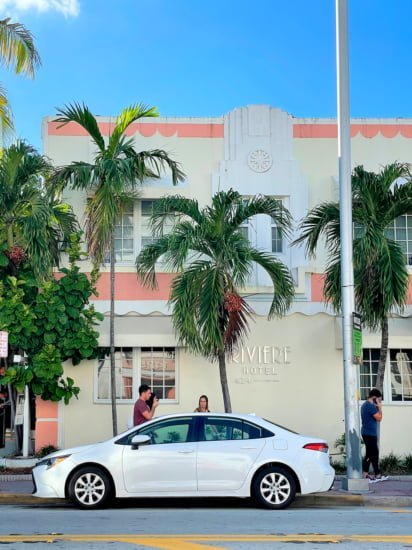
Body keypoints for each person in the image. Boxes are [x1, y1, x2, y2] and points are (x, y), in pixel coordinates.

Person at [361, 388, 388, 482]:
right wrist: (380, 407)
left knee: (371, 454)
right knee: (371, 454)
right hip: (369, 434)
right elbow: (379, 418)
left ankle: (374, 474)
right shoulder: (370, 406)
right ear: (374, 398)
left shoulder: (365, 405)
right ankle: (372, 475)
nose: (379, 401)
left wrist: (377, 405)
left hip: (367, 432)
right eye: (379, 399)